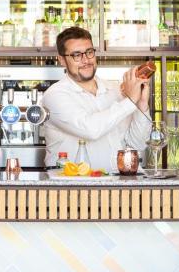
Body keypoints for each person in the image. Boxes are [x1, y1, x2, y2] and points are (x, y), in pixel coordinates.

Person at [41, 26, 151, 172]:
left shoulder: (115, 90)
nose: (86, 60)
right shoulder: (54, 96)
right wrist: (130, 101)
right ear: (61, 60)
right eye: (76, 55)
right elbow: (91, 129)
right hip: (71, 187)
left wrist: (141, 105)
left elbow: (137, 145)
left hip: (116, 184)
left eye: (89, 52)